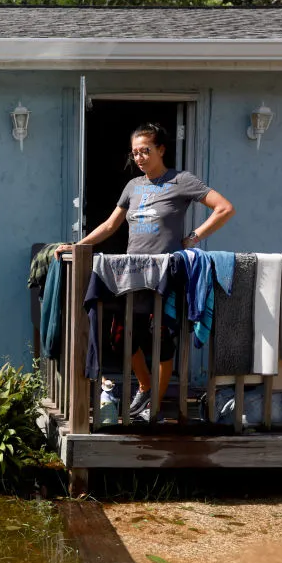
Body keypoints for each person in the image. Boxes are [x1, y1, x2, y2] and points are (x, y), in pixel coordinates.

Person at [56, 122, 234, 421]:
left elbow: (224, 208)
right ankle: (145, 385)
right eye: (135, 153)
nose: (139, 158)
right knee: (121, 336)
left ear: (161, 149)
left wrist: (194, 237)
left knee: (161, 339)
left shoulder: (181, 180)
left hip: (166, 274)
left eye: (145, 151)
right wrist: (78, 245)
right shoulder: (133, 187)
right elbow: (111, 225)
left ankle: (156, 402)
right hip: (131, 273)